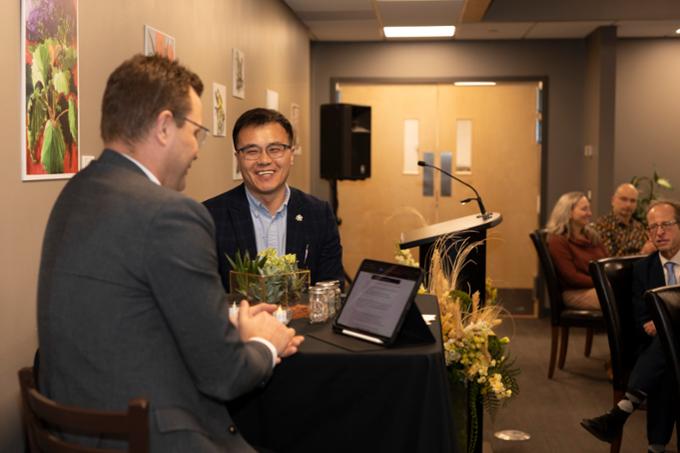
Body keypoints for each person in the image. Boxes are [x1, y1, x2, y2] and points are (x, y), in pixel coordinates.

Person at [37, 54, 303, 452]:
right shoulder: (170, 214)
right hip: (154, 436)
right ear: (164, 126)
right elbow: (226, 375)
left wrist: (227, 319)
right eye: (195, 132)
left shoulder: (75, 193)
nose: (196, 150)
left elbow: (129, 303)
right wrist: (265, 342)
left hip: (81, 428)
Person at [204, 108, 344, 291]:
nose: (264, 160)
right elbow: (203, 296)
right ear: (238, 158)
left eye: (275, 149)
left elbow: (332, 287)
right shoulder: (209, 217)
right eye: (251, 151)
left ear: (291, 154)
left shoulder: (319, 214)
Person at [581, 200, 680, 453]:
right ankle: (655, 447)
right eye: (653, 227)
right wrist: (666, 325)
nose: (659, 232)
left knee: (671, 339)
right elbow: (641, 321)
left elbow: (654, 321)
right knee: (670, 354)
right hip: (655, 350)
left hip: (658, 351)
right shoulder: (642, 269)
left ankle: (625, 410)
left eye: (666, 225)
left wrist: (663, 323)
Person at [546, 191, 608, 310]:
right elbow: (572, 277)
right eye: (584, 209)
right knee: (617, 298)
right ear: (568, 212)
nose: (589, 213)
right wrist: (603, 282)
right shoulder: (558, 241)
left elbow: (606, 262)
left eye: (589, 209)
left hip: (598, 287)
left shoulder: (592, 236)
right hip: (575, 292)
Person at [592, 183, 654, 256]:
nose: (628, 205)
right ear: (613, 201)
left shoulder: (639, 227)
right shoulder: (602, 225)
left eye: (632, 201)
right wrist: (643, 253)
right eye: (624, 199)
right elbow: (610, 261)